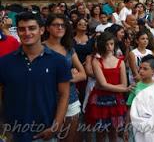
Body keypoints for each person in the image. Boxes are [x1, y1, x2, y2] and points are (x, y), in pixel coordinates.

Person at [0, 12, 71, 141]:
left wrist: (56, 125)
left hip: (45, 133)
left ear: (42, 30)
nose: (27, 33)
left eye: (32, 28)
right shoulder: (4, 62)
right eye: (22, 29)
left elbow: (64, 94)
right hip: (13, 134)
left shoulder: (59, 61)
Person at [43, 13, 87, 142]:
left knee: (69, 139)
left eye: (63, 25)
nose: (60, 28)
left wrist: (67, 77)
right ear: (47, 28)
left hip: (71, 98)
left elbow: (83, 74)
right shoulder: (40, 48)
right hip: (47, 100)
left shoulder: (69, 48)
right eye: (56, 25)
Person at [85, 31, 132, 142]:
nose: (109, 47)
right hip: (99, 100)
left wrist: (121, 87)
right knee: (100, 134)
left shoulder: (120, 62)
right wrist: (124, 89)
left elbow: (123, 83)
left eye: (111, 44)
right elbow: (102, 84)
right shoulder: (96, 61)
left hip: (115, 100)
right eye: (106, 44)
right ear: (102, 45)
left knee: (113, 133)